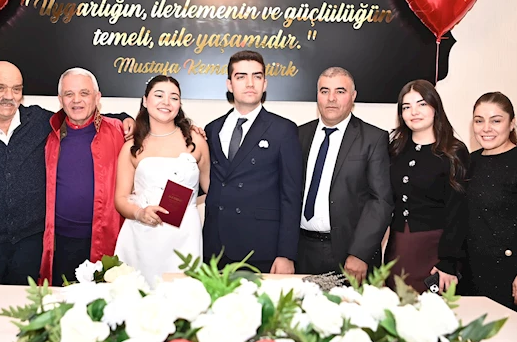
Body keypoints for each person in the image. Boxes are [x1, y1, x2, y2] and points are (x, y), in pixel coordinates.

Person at [0, 61, 132, 285]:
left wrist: (126, 118)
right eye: (0, 88)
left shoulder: (39, 122)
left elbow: (82, 115)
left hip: (27, 251)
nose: (8, 96)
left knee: (26, 307)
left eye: (16, 89)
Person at [203, 50, 303, 274]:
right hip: (215, 247)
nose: (250, 83)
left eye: (257, 76)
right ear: (229, 84)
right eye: (241, 77)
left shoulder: (283, 130)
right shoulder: (212, 129)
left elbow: (291, 196)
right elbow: (203, 179)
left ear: (264, 83)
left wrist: (286, 253)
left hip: (261, 248)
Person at [297, 67, 393, 281]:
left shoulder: (373, 138)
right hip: (301, 251)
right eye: (324, 91)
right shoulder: (299, 134)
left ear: (353, 96)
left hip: (349, 255)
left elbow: (381, 201)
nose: (331, 98)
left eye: (340, 91)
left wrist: (360, 253)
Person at [462, 92, 517, 318]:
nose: (486, 128)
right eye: (479, 120)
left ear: (511, 123)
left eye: (496, 120)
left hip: (510, 276)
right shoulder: (467, 162)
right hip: (468, 272)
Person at [114, 76, 210, 286]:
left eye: (174, 97)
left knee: (184, 295)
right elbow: (120, 199)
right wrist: (139, 213)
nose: (166, 102)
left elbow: (213, 190)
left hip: (184, 236)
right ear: (145, 100)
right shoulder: (131, 146)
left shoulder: (196, 141)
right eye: (159, 95)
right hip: (142, 236)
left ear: (179, 104)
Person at [39, 68, 126, 286]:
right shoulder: (47, 133)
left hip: (107, 240)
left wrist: (188, 129)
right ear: (60, 100)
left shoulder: (119, 131)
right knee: (60, 302)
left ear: (97, 97)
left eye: (84, 93)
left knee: (103, 303)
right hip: (60, 242)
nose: (76, 100)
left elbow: (158, 135)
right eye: (69, 94)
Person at [384, 80, 469, 294]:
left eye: (422, 104)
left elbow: (458, 211)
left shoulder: (454, 151)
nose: (414, 112)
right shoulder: (395, 149)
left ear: (435, 107)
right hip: (398, 246)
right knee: (395, 306)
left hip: (436, 249)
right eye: (406, 107)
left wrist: (448, 262)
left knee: (432, 309)